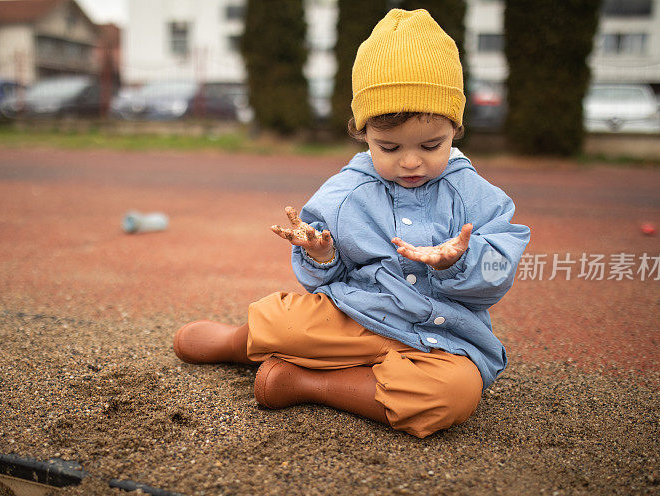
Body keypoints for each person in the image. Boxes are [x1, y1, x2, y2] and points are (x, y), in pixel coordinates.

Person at [173, 8, 530, 438]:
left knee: (451, 396)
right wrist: (322, 255)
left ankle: (307, 382)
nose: (411, 160)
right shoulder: (344, 194)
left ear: (455, 127)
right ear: (362, 133)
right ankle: (236, 343)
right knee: (288, 321)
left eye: (431, 144)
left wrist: (459, 261)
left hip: (442, 338)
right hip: (355, 316)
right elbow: (324, 280)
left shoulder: (478, 197)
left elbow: (499, 270)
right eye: (390, 146)